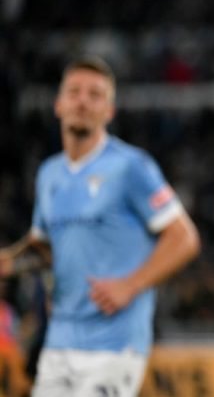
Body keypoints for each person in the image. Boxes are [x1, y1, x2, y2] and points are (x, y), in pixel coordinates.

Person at [0, 56, 201, 397]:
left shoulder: (131, 167)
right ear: (59, 104)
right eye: (74, 92)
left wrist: (131, 285)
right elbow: (44, 249)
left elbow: (184, 238)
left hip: (113, 346)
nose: (83, 101)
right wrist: (7, 263)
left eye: (95, 95)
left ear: (109, 111)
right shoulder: (49, 174)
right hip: (59, 343)